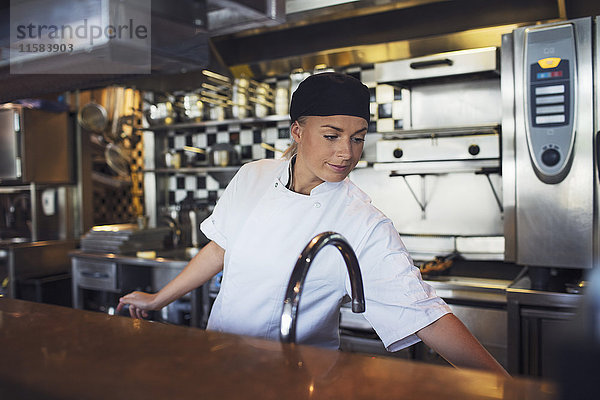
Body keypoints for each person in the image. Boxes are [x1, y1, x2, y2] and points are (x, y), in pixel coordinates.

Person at [117, 72, 508, 376]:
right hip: (219, 362)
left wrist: (504, 387)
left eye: (357, 138)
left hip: (296, 378)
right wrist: (157, 299)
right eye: (332, 135)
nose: (346, 153)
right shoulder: (253, 176)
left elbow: (426, 315)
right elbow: (220, 247)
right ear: (298, 132)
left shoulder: (362, 221)